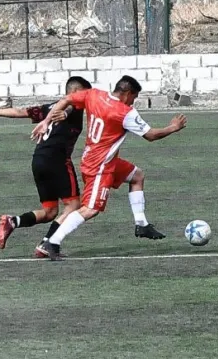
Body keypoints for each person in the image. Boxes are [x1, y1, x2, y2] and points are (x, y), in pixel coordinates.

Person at [31, 75, 187, 260]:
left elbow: (66, 99)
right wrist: (173, 127)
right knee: (90, 209)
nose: (133, 101)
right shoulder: (124, 112)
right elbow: (151, 135)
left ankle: (142, 224)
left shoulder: (94, 95)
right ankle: (52, 242)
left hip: (98, 159)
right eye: (134, 97)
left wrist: (46, 121)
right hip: (100, 166)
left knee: (137, 176)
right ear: (127, 93)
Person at [0, 76, 92, 256]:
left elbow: (21, 111)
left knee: (50, 212)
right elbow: (69, 108)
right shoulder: (73, 107)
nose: (87, 98)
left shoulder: (48, 108)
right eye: (85, 94)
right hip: (57, 160)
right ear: (75, 93)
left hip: (38, 160)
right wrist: (66, 113)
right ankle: (48, 244)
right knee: (74, 206)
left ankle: (13, 221)